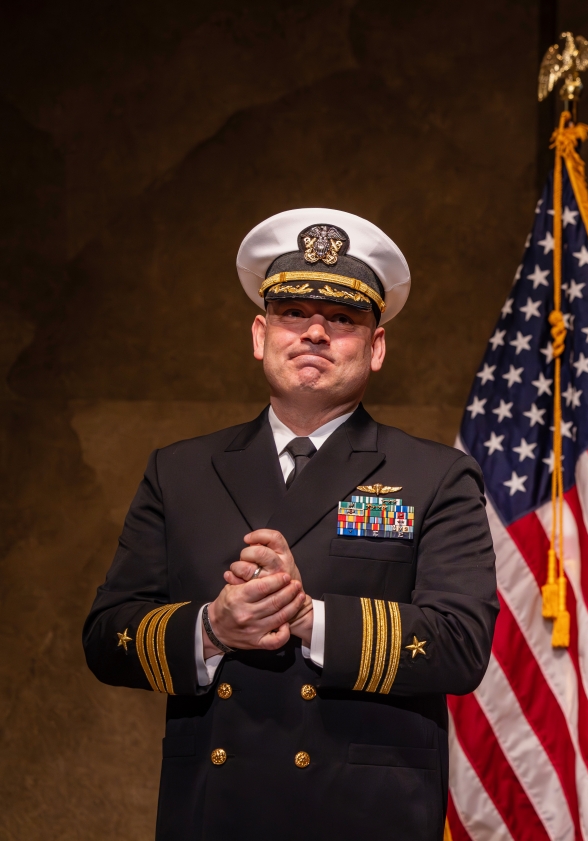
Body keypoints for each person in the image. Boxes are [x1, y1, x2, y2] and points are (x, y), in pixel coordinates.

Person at [83, 209, 498, 839]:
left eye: (342, 319)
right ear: (260, 334)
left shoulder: (436, 475)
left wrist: (307, 618)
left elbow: (461, 645)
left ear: (376, 347)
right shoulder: (180, 470)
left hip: (367, 815)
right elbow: (106, 636)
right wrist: (211, 629)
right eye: (293, 314)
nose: (314, 333)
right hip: (213, 814)